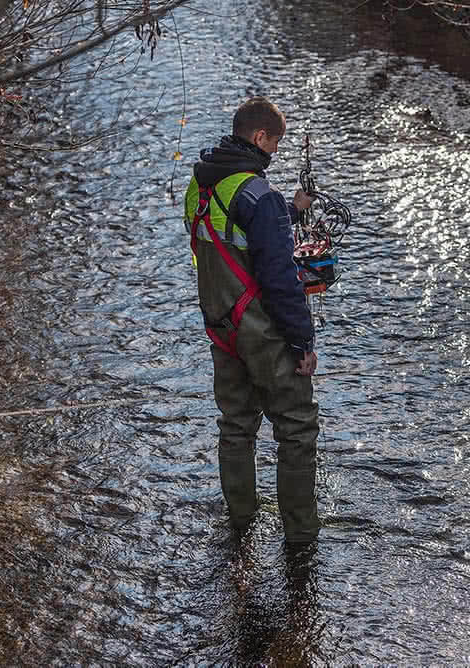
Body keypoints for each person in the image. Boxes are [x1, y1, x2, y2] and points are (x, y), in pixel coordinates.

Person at [184, 96, 320, 544]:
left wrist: (291, 211)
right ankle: (301, 536)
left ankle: (240, 522)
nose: (275, 152)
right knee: (296, 428)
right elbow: (280, 280)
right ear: (260, 137)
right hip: (262, 330)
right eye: (275, 143)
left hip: (220, 325)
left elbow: (234, 234)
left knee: (236, 425)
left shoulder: (200, 186)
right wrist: (302, 343)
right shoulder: (260, 196)